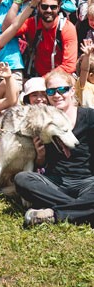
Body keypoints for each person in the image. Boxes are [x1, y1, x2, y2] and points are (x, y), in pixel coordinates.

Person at [15, 70, 94, 227]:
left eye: (62, 89)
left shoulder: (89, 116)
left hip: (87, 182)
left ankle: (53, 214)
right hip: (55, 183)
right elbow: (41, 165)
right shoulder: (43, 122)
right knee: (22, 179)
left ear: (72, 90)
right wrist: (40, 156)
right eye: (51, 91)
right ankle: (82, 209)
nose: (57, 95)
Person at [15, 0, 78, 78]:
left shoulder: (67, 28)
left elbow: (69, 65)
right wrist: (17, 1)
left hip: (60, 78)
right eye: (44, 6)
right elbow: (10, 29)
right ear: (38, 6)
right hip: (35, 75)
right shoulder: (32, 23)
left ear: (59, 6)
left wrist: (43, 81)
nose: (49, 10)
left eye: (53, 7)